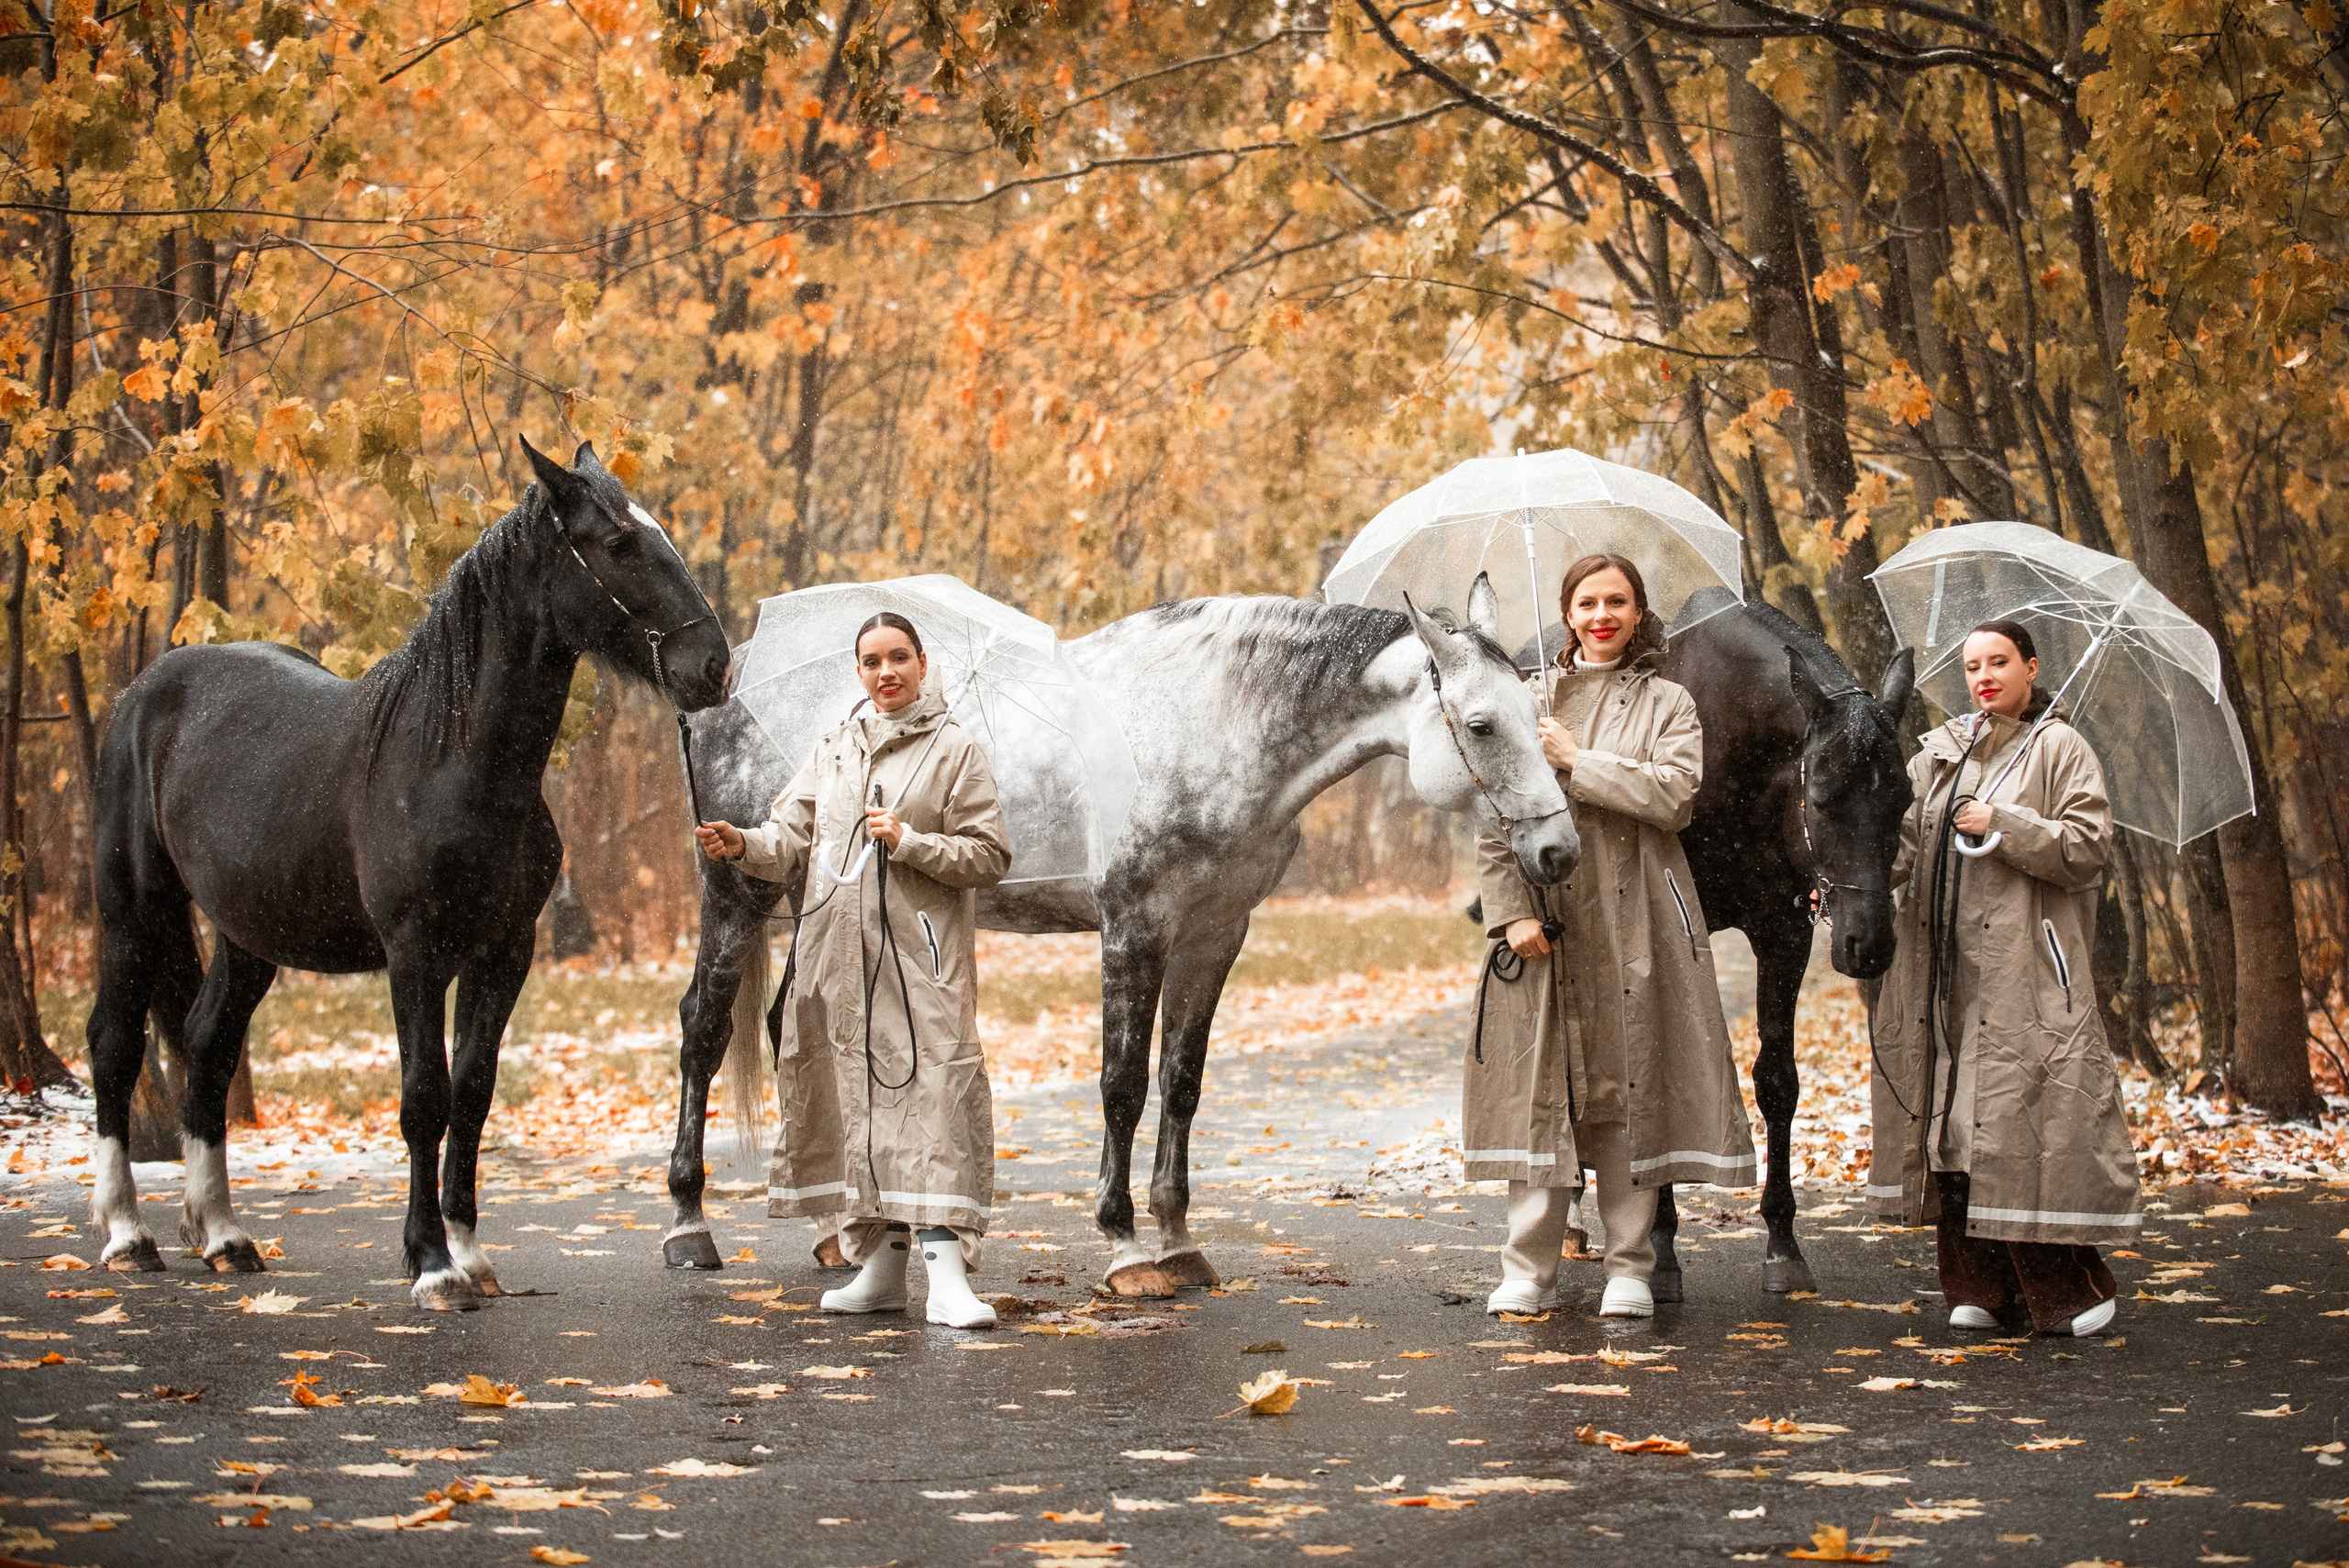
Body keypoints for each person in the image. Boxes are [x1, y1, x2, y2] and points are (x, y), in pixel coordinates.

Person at [696, 612, 1011, 1329]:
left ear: (923, 663)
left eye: (899, 657)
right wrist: (741, 842)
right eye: (871, 660)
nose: (886, 671)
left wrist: (912, 840)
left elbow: (989, 855)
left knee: (930, 1103)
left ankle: (947, 1276)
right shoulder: (835, 748)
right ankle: (881, 1268)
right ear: (858, 670)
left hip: (917, 963)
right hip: (836, 965)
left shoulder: (953, 751)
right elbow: (791, 838)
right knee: (854, 1108)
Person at [1467, 553, 1754, 1318]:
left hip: (1638, 920)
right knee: (1544, 1089)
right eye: (1588, 601)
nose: (1602, 614)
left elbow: (1674, 795)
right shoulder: (1524, 700)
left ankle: (1630, 1261)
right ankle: (1527, 1268)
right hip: (1547, 920)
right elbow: (1493, 812)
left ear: (1636, 612)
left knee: (1631, 1080)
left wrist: (1576, 760)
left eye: (1617, 601)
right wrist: (1511, 910)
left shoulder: (1669, 702)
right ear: (1567, 613)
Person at [1867, 618, 2134, 1336]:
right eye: (1972, 665)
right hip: (1940, 969)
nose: (1984, 676)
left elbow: (2086, 846)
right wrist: (1847, 882)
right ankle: (1978, 1286)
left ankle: (2071, 1288)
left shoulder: (2058, 747)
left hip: (2023, 968)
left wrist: (2005, 823)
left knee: (2020, 1120)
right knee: (1950, 1125)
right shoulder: (1940, 753)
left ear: (2030, 668)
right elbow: (1903, 845)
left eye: (1999, 662)